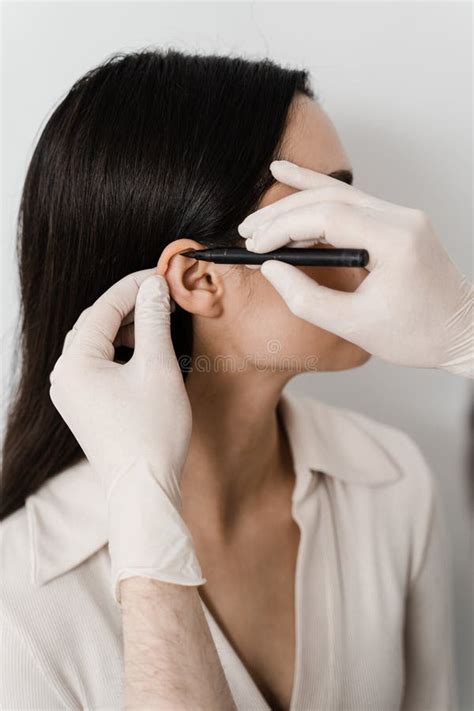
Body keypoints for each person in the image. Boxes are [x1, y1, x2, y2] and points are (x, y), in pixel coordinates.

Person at [0, 49, 457, 710]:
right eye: (321, 214)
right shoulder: (23, 596)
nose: (379, 245)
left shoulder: (392, 482)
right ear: (200, 277)